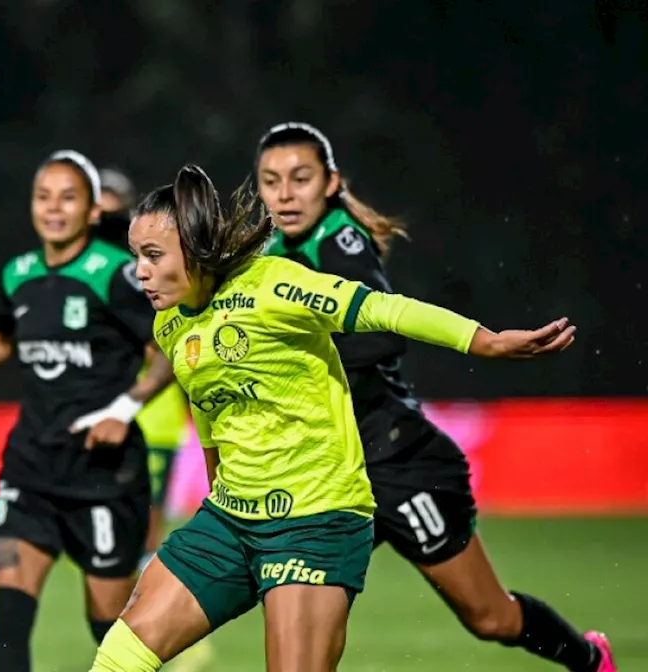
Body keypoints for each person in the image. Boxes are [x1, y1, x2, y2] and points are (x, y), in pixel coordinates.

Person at [88, 163, 577, 672]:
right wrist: (218, 491)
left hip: (313, 520)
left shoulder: (272, 286)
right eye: (135, 256)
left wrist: (487, 340)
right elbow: (210, 410)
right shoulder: (170, 324)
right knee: (119, 659)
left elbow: (385, 311)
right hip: (231, 519)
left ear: (194, 247)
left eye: (152, 255)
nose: (138, 271)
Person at [255, 121, 616, 672]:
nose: (285, 193)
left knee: (490, 618)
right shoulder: (269, 252)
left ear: (330, 183)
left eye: (300, 178)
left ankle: (589, 660)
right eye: (271, 181)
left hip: (395, 462)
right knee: (307, 636)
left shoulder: (340, 241)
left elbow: (381, 336)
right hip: (329, 476)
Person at [0, 150, 177, 672]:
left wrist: (124, 410)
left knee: (109, 629)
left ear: (90, 212)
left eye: (68, 198)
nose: (54, 208)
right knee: (9, 618)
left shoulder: (116, 275)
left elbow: (170, 349)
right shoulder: (18, 274)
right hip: (32, 467)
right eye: (44, 197)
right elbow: (4, 340)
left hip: (104, 475)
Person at [97, 166, 193, 572]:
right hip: (105, 412)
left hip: (154, 418)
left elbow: (170, 342)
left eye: (111, 209)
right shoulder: (90, 272)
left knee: (147, 531)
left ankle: (150, 619)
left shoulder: (143, 272)